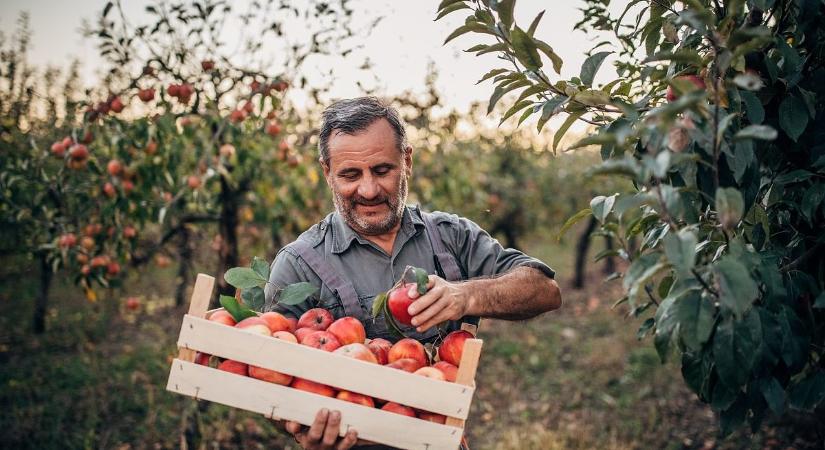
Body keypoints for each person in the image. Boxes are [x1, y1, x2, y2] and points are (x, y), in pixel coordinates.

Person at [263, 96, 562, 450]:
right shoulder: (298, 264)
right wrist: (303, 431)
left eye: (382, 170)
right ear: (327, 172)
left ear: (407, 161)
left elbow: (545, 290)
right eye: (350, 174)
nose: (369, 190)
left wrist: (465, 295)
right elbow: (273, 381)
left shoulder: (451, 236)